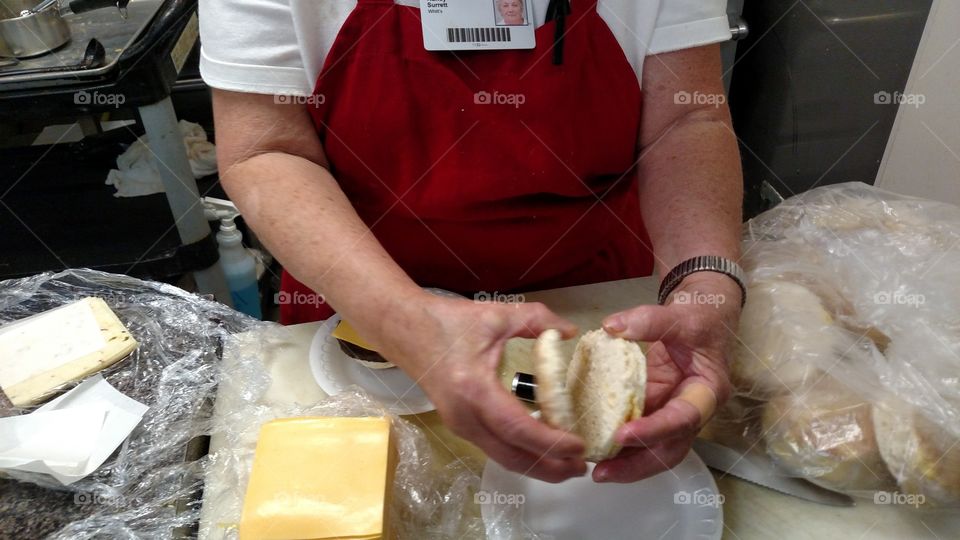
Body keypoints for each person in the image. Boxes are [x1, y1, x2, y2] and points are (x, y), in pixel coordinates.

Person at [199, 0, 743, 484]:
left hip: (597, 291)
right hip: (365, 309)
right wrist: (401, 318)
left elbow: (687, 118)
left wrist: (705, 283)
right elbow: (267, 149)